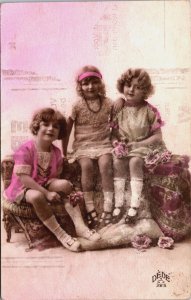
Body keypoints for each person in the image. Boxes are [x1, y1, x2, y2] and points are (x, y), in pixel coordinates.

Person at [4, 107, 100, 252]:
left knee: (65, 185)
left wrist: (60, 188)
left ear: (59, 133)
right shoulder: (26, 149)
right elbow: (24, 179)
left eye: (56, 127)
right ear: (37, 126)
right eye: (46, 124)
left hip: (43, 182)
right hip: (22, 188)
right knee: (36, 195)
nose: (51, 129)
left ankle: (80, 226)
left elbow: (53, 177)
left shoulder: (56, 152)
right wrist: (47, 193)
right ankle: (62, 235)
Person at [111, 68, 168, 223]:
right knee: (117, 161)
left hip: (144, 146)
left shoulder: (149, 110)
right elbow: (113, 134)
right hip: (125, 147)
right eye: (128, 85)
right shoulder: (119, 109)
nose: (131, 89)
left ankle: (134, 205)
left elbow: (157, 136)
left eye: (137, 87)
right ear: (122, 86)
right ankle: (118, 203)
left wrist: (138, 144)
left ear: (145, 92)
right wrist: (116, 143)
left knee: (135, 161)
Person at [63, 66, 114, 229]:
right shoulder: (77, 105)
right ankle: (90, 208)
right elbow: (66, 129)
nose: (90, 87)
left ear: (100, 84)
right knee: (86, 166)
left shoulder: (108, 103)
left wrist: (120, 143)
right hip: (83, 146)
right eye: (86, 83)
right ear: (80, 86)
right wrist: (65, 152)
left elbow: (118, 123)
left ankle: (108, 207)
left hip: (103, 143)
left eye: (94, 82)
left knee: (106, 164)